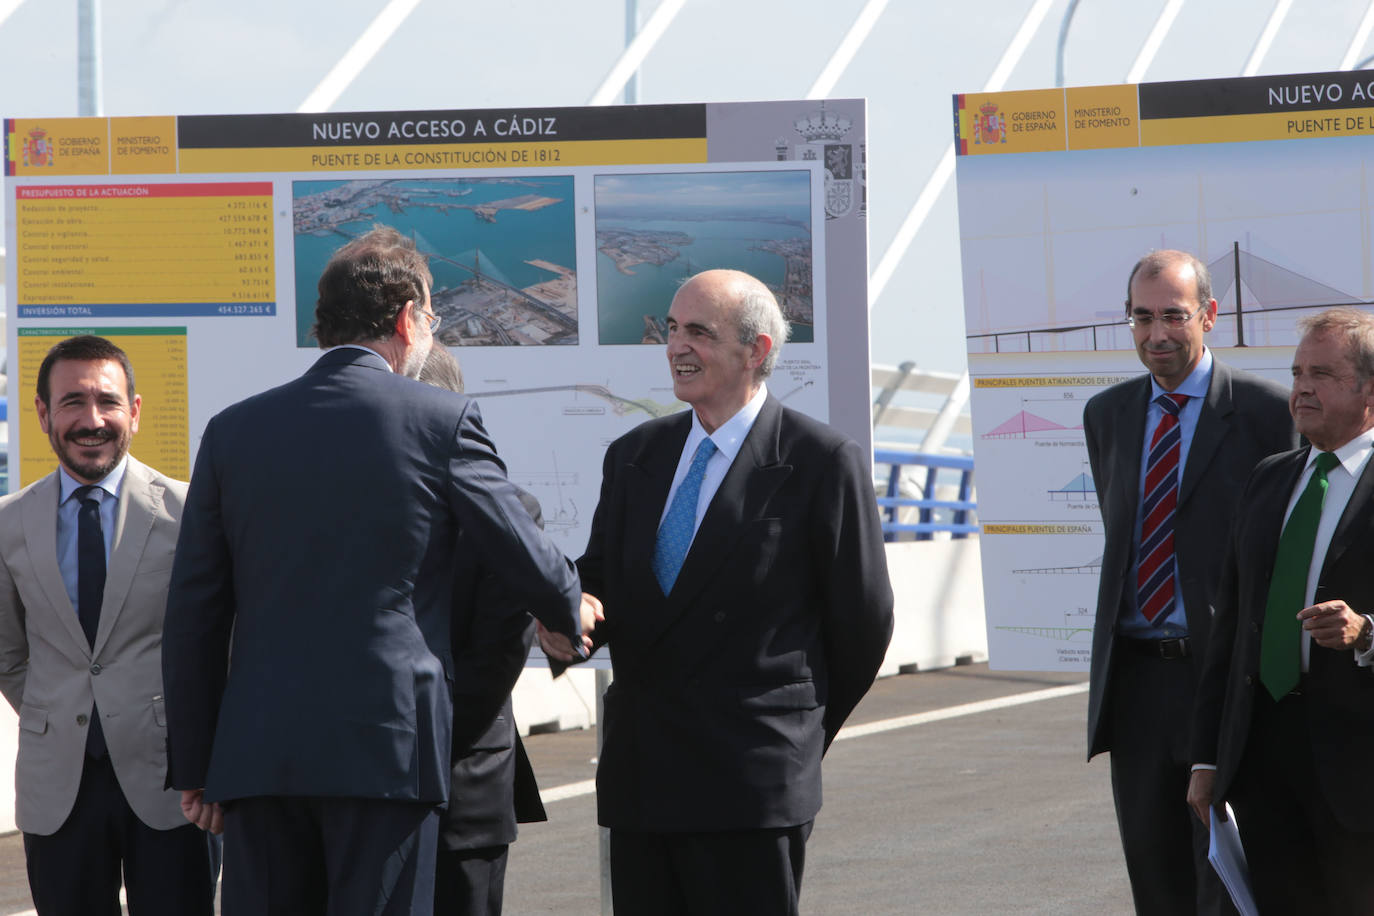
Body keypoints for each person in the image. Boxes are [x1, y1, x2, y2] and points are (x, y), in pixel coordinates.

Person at [161, 225, 589, 915]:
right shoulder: (440, 420)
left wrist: (197, 764)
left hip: (259, 756)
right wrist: (572, 606)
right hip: (386, 755)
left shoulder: (233, 431)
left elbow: (194, 614)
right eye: (432, 317)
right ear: (406, 318)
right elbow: (522, 551)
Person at [542, 269, 894, 916]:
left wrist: (794, 741)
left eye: (698, 332)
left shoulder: (820, 462)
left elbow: (863, 626)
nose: (677, 346)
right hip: (644, 781)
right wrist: (579, 614)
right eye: (671, 329)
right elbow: (601, 578)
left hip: (752, 787)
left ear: (756, 351)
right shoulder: (632, 456)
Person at [1083, 249, 1294, 915]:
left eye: (1173, 316)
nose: (1157, 334)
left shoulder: (1268, 414)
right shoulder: (1106, 416)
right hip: (1137, 682)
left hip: (1225, 678)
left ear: (1208, 314)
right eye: (1141, 318)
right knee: (1157, 881)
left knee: (1229, 883)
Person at [0, 335, 217, 915]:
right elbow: (8, 653)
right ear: (43, 413)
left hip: (173, 783)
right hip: (58, 787)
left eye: (107, 401)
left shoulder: (189, 514)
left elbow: (218, 645)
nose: (91, 420)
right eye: (72, 402)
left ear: (135, 412)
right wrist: (57, 710)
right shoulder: (8, 524)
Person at [1189, 307, 1374, 914]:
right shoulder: (1270, 479)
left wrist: (1366, 632)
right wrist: (1210, 756)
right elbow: (1231, 629)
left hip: (1357, 768)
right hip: (1263, 757)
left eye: (1321, 373)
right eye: (1296, 372)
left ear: (1369, 388)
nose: (1300, 387)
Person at [417, 345, 548, 915]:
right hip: (357, 792)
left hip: (462, 786)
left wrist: (392, 749)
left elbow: (492, 664)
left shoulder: (509, 511)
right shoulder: (344, 508)